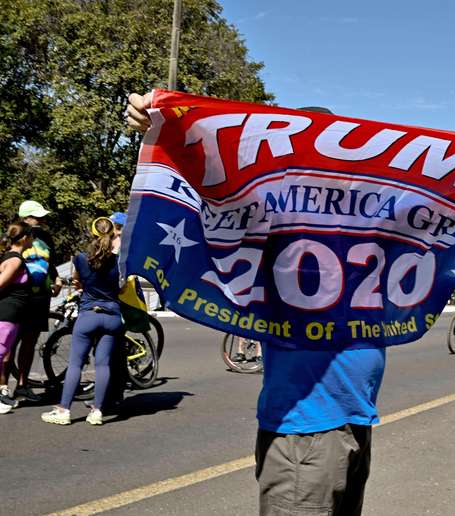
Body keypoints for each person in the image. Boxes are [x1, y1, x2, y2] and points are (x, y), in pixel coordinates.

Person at [128, 92, 383, 515]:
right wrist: (159, 130)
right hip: (306, 428)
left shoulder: (358, 226)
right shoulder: (272, 220)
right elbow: (209, 191)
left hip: (357, 419)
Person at [42, 217, 123, 426]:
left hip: (88, 314)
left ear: (92, 234)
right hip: (112, 315)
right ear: (113, 234)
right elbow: (122, 288)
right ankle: (97, 411)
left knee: (76, 363)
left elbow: (77, 280)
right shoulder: (120, 261)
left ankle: (64, 409)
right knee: (103, 363)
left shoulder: (80, 258)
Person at [1, 200, 63, 403]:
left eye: (42, 217)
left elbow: (49, 261)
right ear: (25, 218)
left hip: (40, 297)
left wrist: (56, 278)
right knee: (9, 343)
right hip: (20, 297)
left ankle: (22, 385)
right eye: (37, 217)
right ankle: (2, 388)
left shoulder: (45, 237)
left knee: (29, 342)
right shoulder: (18, 237)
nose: (42, 220)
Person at [0, 222, 33, 412]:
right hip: (6, 314)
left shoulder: (14, 258)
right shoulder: (15, 260)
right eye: (31, 237)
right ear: (25, 238)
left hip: (12, 315)